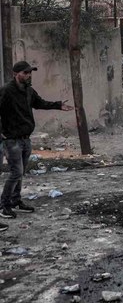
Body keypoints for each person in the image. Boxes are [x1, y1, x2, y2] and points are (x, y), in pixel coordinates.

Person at [0, 61, 74, 219]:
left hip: (26, 139)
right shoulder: (6, 91)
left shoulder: (29, 91)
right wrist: (2, 134)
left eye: (30, 73)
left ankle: (16, 201)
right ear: (16, 74)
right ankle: (4, 206)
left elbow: (40, 103)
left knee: (20, 173)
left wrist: (58, 105)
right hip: (12, 140)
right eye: (25, 73)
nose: (28, 75)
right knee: (16, 172)